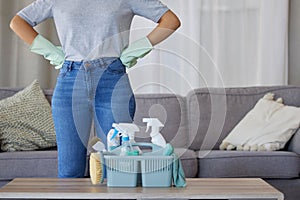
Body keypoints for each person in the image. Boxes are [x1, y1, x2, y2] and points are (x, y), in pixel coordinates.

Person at [10, 0, 180, 178]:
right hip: (70, 82)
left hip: (112, 80)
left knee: (119, 170)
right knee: (70, 171)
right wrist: (51, 52)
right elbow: (18, 22)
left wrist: (137, 49)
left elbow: (170, 20)